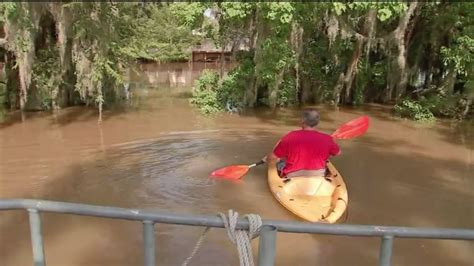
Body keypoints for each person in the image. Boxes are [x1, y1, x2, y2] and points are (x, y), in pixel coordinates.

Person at [265, 108, 340, 179]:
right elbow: (337, 153)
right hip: (318, 175)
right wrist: (327, 153)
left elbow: (273, 157)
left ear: (302, 121)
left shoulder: (290, 136)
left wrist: (268, 158)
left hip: (293, 175)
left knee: (280, 162)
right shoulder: (327, 138)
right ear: (317, 122)